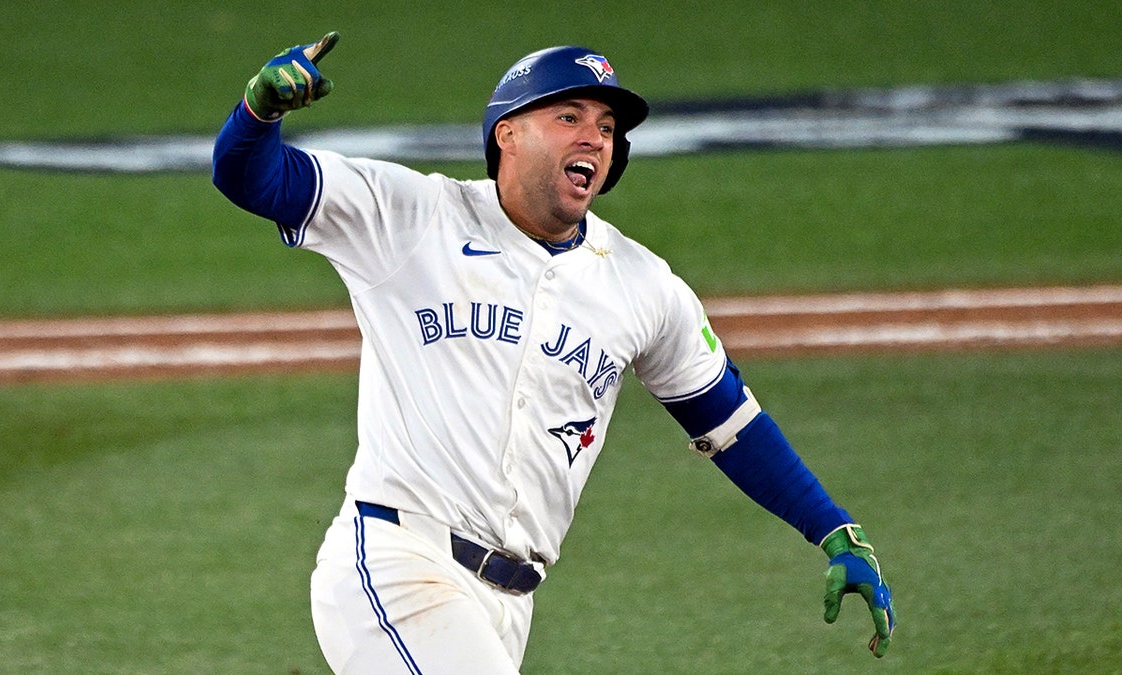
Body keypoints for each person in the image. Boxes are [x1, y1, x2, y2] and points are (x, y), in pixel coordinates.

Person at [213, 32, 895, 673]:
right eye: (570, 116)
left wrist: (832, 527)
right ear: (507, 133)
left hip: (509, 605)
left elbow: (728, 423)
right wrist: (260, 108)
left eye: (606, 127)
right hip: (397, 563)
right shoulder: (411, 215)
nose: (594, 138)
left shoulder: (642, 284)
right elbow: (251, 178)